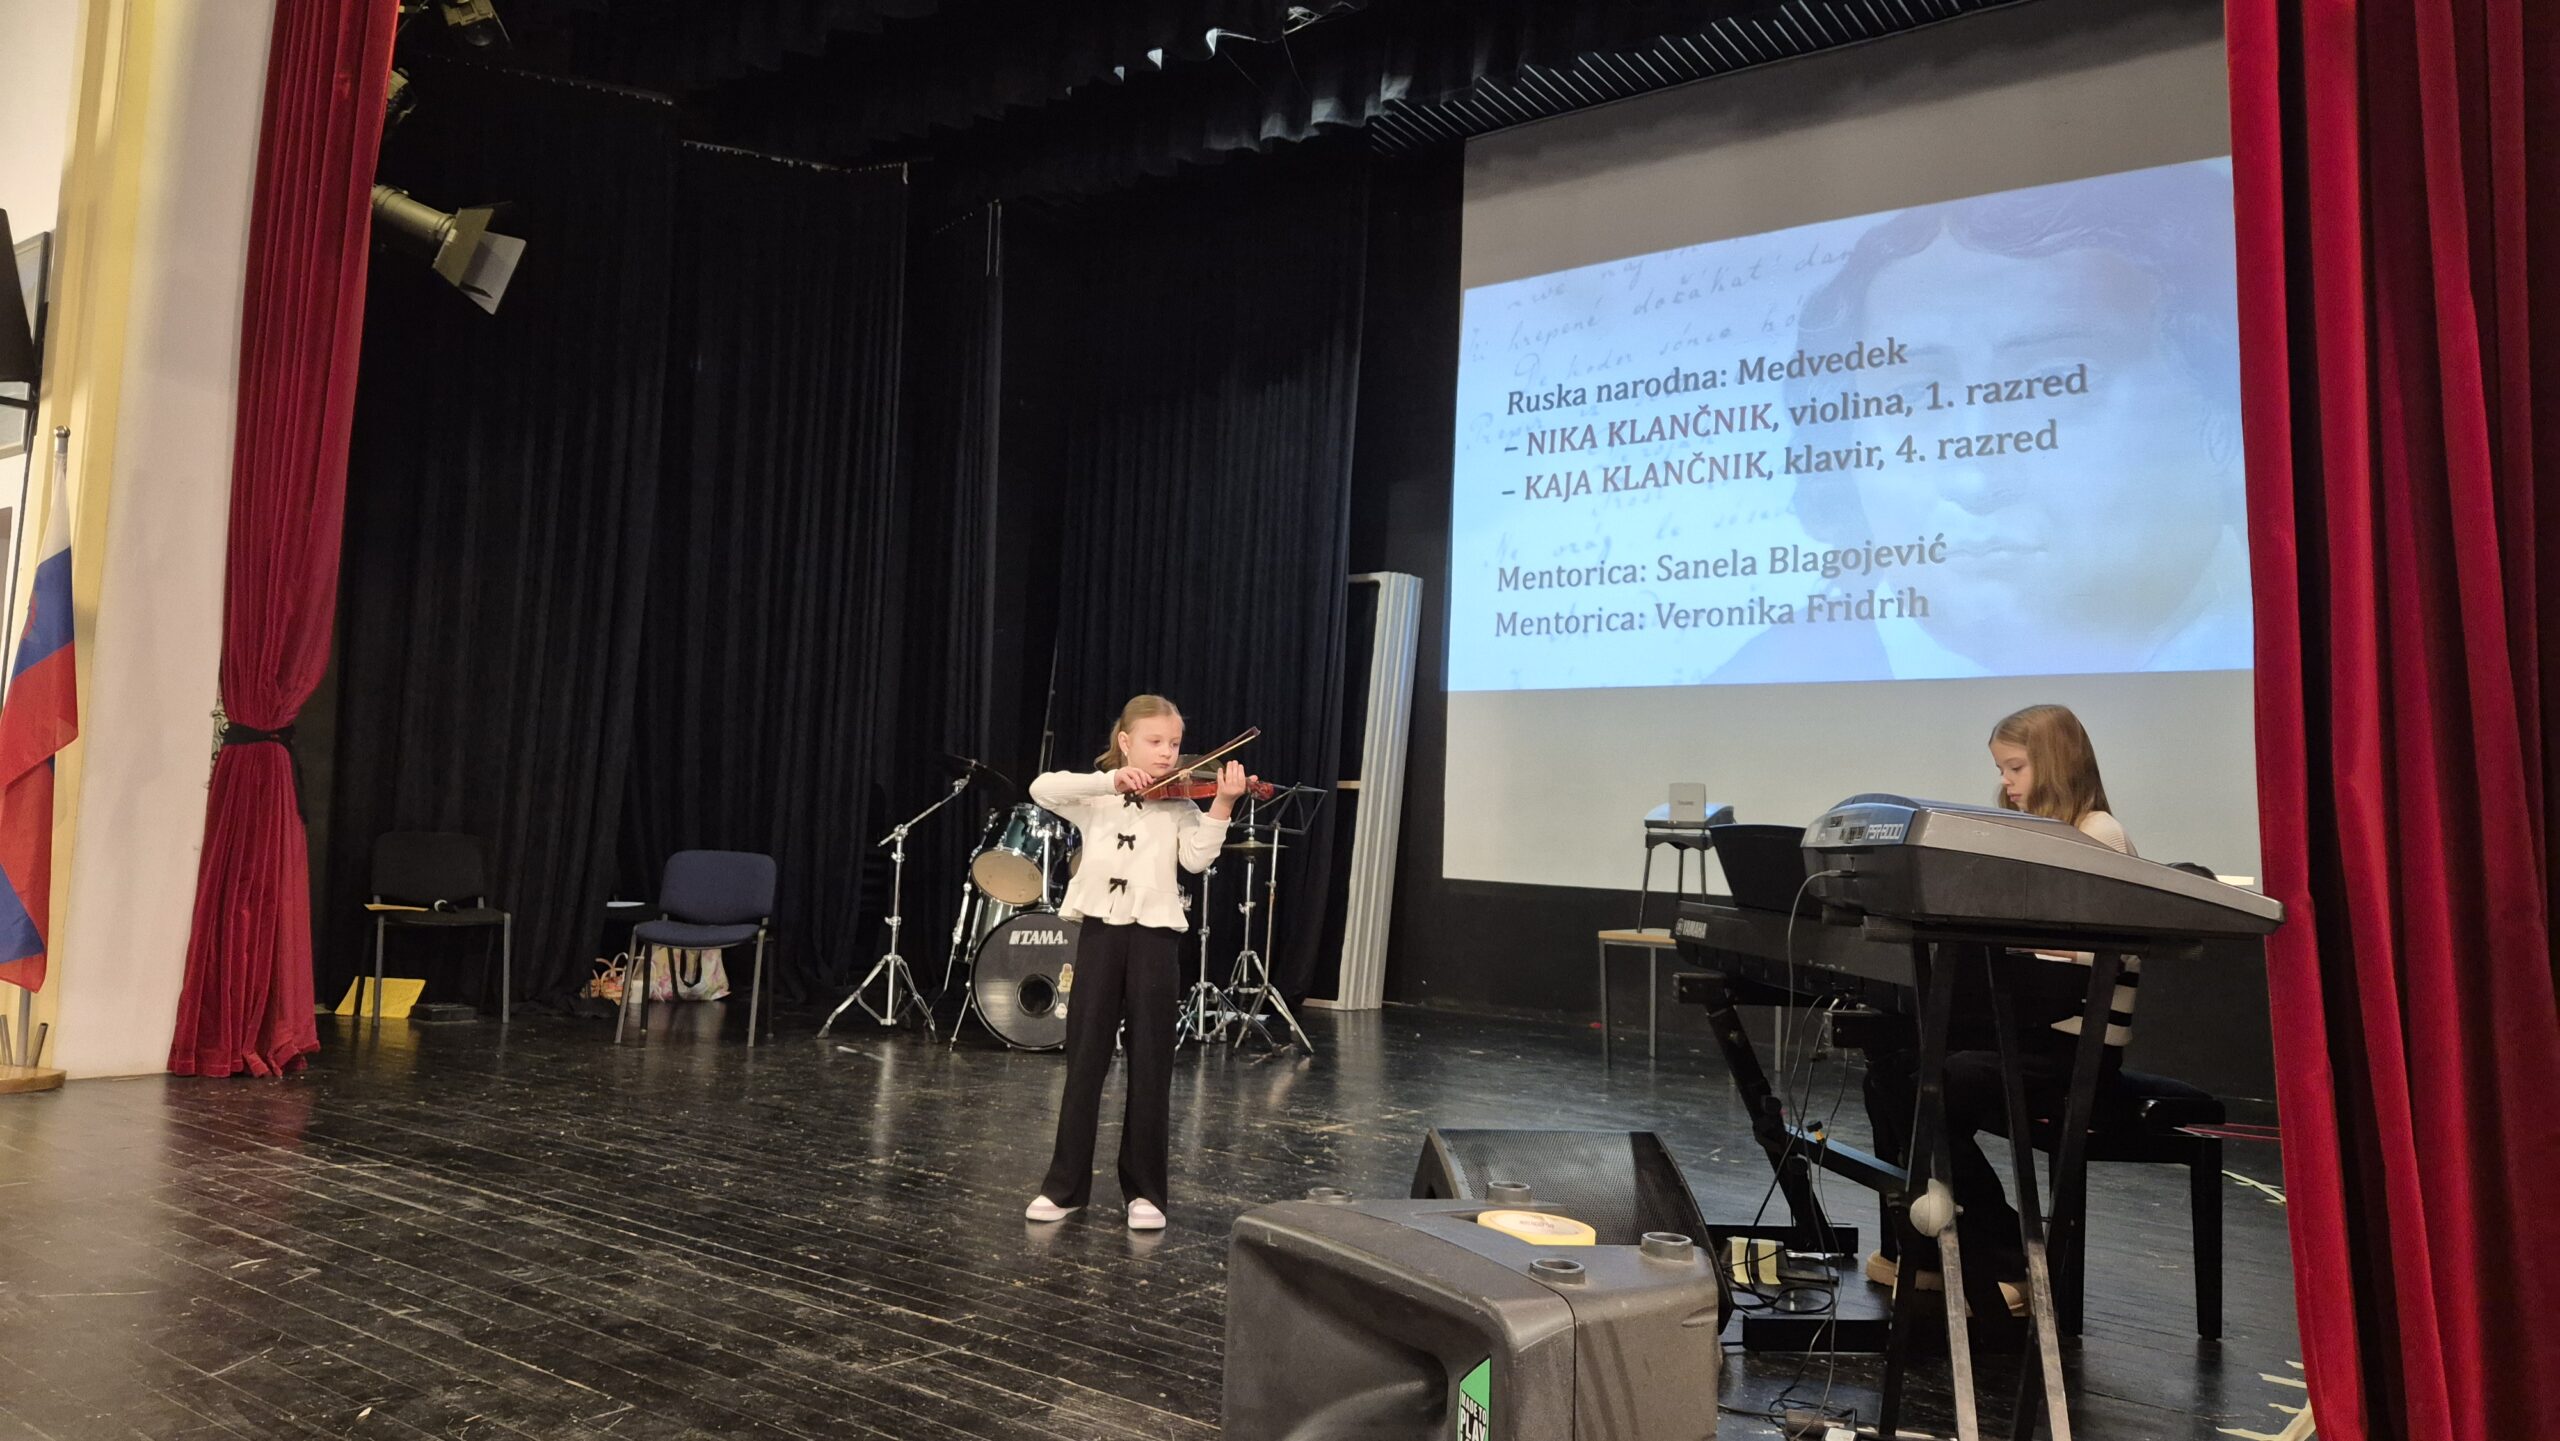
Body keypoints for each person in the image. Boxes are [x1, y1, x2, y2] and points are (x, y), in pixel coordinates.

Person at [1861, 704, 2138, 1310]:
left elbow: (2084, 959)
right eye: (2001, 770)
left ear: (2056, 764)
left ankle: (2014, 1257)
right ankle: (1940, 1248)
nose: (2006, 783)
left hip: (2074, 1047)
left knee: (1940, 1083)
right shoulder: (2031, 838)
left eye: (2016, 768)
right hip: (2026, 1032)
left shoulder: (2097, 835)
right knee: (1891, 1075)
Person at [1022, 694, 1255, 1231]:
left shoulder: (1179, 804)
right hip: (1101, 934)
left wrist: (1222, 805)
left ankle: (1145, 1192)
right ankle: (1064, 1187)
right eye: (1156, 742)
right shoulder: (1097, 797)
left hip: (1155, 939)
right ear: (1126, 742)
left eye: (1174, 743)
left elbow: (1196, 859)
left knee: (1152, 1063)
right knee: (1085, 1059)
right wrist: (1110, 781)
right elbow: (1040, 788)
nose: (1168, 753)